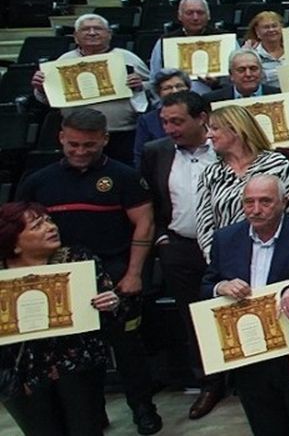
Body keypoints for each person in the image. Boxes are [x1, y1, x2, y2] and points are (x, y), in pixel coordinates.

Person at [13, 108, 161, 434]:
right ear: (61, 138)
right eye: (73, 144)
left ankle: (143, 409)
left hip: (113, 271)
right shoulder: (39, 181)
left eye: (89, 145)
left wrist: (134, 273)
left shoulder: (124, 177)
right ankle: (90, 413)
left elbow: (144, 222)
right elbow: (18, 226)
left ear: (105, 139)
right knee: (77, 357)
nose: (81, 152)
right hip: (58, 278)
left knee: (127, 348)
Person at [201, 175, 289, 436]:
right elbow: (205, 286)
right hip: (249, 356)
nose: (255, 209)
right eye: (249, 202)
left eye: (265, 202)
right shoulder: (225, 238)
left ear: (285, 202)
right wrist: (220, 287)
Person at [0, 204, 133, 436]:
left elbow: (115, 314)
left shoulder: (77, 258)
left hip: (77, 364)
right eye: (37, 226)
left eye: (49, 221)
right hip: (21, 371)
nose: (50, 228)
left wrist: (112, 303)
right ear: (15, 242)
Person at [141, 90, 226, 411]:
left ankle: (247, 378)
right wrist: (162, 238)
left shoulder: (225, 145)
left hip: (225, 245)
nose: (169, 129)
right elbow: (150, 200)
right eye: (164, 122)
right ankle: (209, 382)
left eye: (177, 121)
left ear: (201, 118)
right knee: (193, 318)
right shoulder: (156, 152)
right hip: (179, 247)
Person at [29, 13, 149, 163]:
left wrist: (140, 85)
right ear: (75, 36)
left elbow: (155, 88)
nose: (92, 33)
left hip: (122, 133)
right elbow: (49, 100)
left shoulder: (128, 58)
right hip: (78, 136)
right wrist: (40, 88)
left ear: (109, 34)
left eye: (98, 28)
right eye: (86, 29)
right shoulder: (63, 62)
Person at [194, 104, 289, 257]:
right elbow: (204, 225)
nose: (208, 136)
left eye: (214, 129)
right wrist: (217, 261)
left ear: (236, 129)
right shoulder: (211, 173)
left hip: (276, 255)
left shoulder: (276, 165)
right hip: (228, 260)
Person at [132, 68, 190, 168]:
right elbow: (140, 155)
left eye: (179, 86)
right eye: (167, 88)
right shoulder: (147, 120)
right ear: (159, 93)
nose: (175, 91)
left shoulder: (201, 112)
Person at [204, 49, 279, 103]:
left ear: (261, 72)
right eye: (241, 70)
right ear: (231, 75)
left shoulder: (279, 95)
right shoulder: (213, 100)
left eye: (253, 68)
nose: (248, 74)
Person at [242, 11, 287, 90]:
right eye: (266, 27)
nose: (271, 30)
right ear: (257, 31)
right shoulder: (251, 55)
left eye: (274, 26)